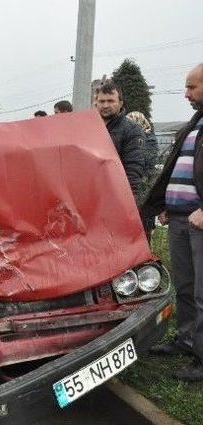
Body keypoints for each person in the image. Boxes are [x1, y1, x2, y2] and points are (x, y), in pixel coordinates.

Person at [143, 64, 203, 381]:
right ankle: (186, 341)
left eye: (192, 87)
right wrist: (166, 204)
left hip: (200, 220)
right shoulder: (193, 124)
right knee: (185, 286)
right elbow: (177, 169)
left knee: (202, 290)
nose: (186, 93)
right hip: (180, 219)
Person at [95, 81, 145, 197]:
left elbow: (133, 170)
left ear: (121, 103)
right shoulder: (90, 127)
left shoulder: (132, 130)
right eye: (101, 101)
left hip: (115, 196)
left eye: (110, 101)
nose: (105, 105)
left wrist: (126, 201)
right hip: (92, 193)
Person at [127, 111, 159, 240]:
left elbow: (146, 163)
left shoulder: (149, 140)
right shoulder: (130, 138)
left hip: (144, 187)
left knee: (144, 224)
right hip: (134, 185)